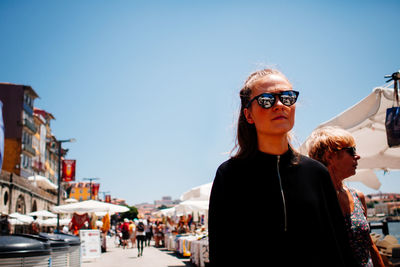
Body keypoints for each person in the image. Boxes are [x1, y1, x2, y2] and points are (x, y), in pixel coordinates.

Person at [208, 68, 357, 267]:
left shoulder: (317, 173)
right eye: (266, 100)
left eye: (287, 97)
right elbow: (222, 253)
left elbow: (338, 247)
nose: (279, 105)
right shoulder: (229, 175)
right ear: (249, 115)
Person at [306, 126, 385, 267]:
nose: (357, 155)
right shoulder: (312, 199)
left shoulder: (357, 196)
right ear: (329, 156)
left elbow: (369, 243)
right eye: (351, 150)